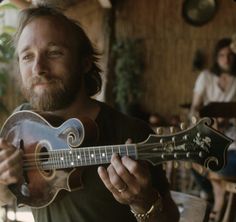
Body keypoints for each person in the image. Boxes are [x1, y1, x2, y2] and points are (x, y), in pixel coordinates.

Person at [0, 6, 179, 222]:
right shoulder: (22, 122)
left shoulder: (130, 133)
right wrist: (3, 182)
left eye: (54, 52)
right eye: (27, 56)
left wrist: (143, 202)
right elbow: (9, 197)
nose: (38, 68)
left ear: (84, 63)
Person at [190, 37, 236, 222]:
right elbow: (195, 107)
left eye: (230, 55)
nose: (226, 59)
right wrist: (207, 123)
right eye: (222, 55)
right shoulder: (206, 77)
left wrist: (227, 119)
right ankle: (213, 195)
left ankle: (218, 201)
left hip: (233, 137)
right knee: (191, 155)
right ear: (216, 57)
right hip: (210, 132)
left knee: (220, 162)